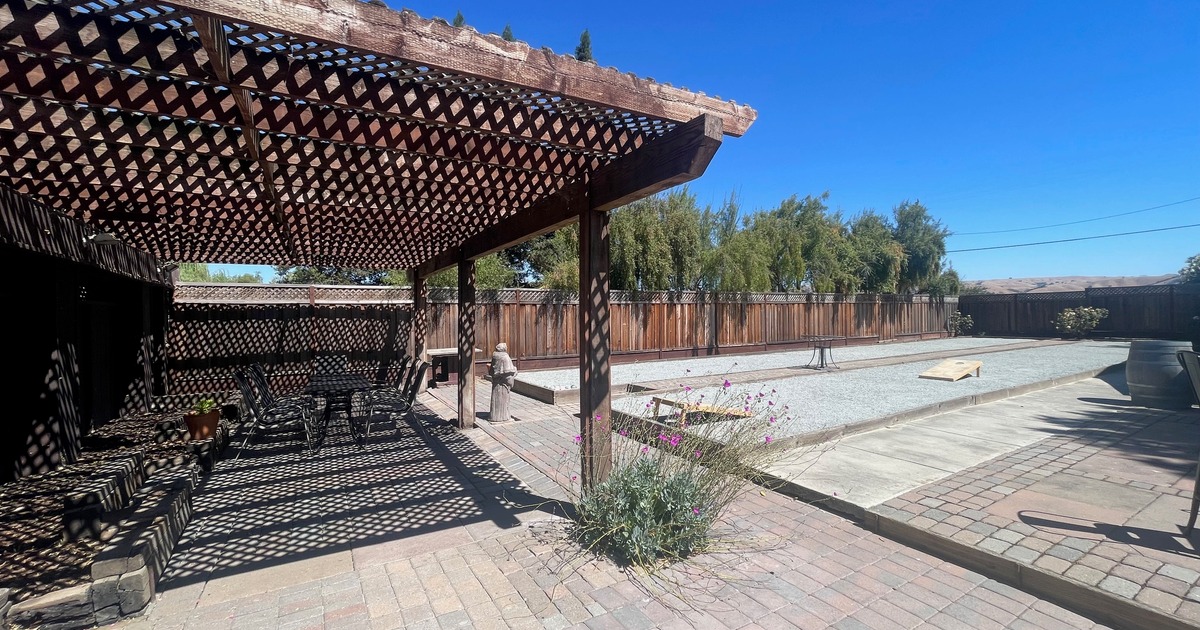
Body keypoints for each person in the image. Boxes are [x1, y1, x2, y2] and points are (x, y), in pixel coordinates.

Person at [488, 342, 518, 422]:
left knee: (496, 401)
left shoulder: (495, 356)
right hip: (503, 384)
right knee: (503, 402)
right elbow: (508, 374)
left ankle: (494, 416)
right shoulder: (505, 357)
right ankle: (503, 417)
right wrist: (511, 381)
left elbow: (491, 371)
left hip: (496, 383)